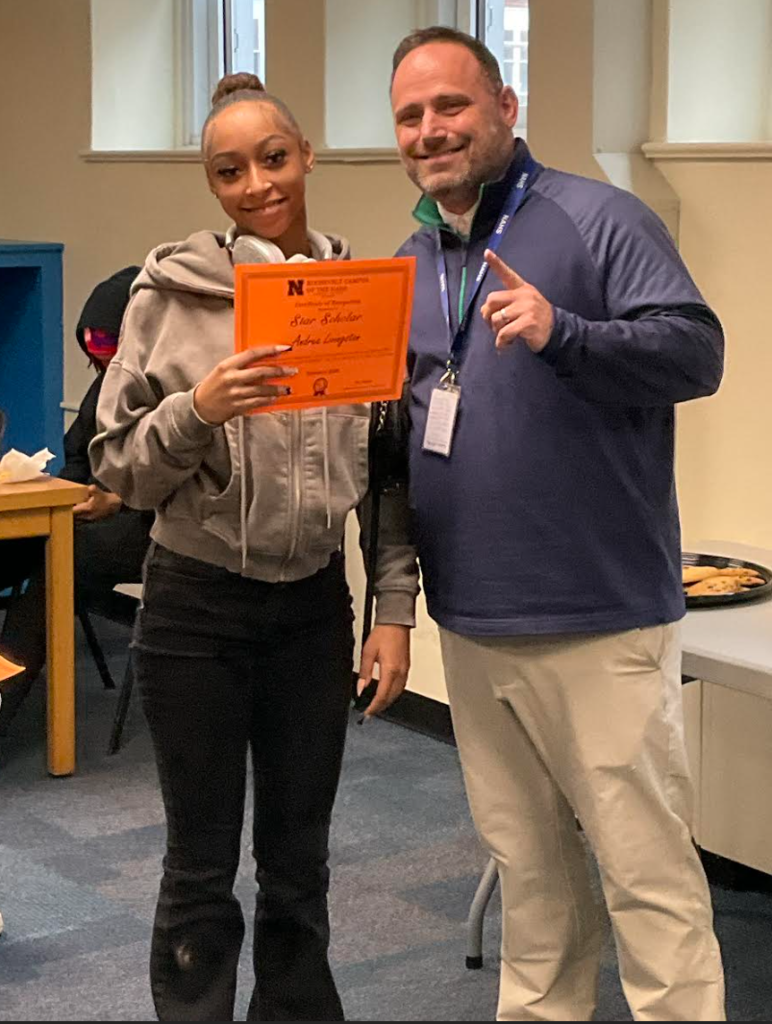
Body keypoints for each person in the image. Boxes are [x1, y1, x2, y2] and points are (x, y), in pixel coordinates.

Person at [390, 26, 725, 1023]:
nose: (431, 129)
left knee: (647, 880)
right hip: (475, 626)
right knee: (530, 880)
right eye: (410, 115)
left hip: (598, 618)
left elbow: (694, 353)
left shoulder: (596, 218)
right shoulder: (411, 261)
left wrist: (564, 332)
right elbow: (399, 444)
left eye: (451, 105)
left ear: (505, 108)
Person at [89, 72, 419, 1022]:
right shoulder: (167, 295)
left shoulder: (358, 297)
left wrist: (392, 612)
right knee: (199, 863)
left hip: (312, 610)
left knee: (298, 862)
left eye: (273, 159)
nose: (257, 184)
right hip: (196, 606)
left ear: (306, 155)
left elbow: (387, 477)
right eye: (229, 171)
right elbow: (120, 471)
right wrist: (199, 409)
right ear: (212, 185)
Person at [0, 269, 152, 735]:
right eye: (94, 354)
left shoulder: (173, 388)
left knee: (59, 564)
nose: (102, 366)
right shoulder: (102, 385)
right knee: (14, 546)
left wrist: (117, 500)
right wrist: (65, 495)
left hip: (156, 530)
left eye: (109, 349)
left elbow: (180, 482)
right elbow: (75, 458)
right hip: (89, 519)